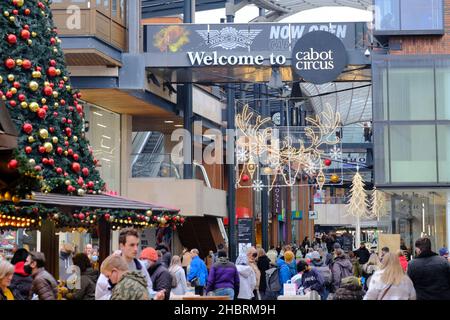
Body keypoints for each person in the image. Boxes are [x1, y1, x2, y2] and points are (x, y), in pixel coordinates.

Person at [95, 228, 154, 300]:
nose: (136, 249)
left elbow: (148, 287)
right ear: (121, 246)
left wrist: (154, 295)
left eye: (137, 245)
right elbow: (100, 296)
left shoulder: (140, 266)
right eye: (132, 245)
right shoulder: (110, 265)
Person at [100, 254, 164, 300]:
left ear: (115, 271)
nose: (108, 280)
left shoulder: (124, 286)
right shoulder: (136, 280)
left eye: (108, 276)